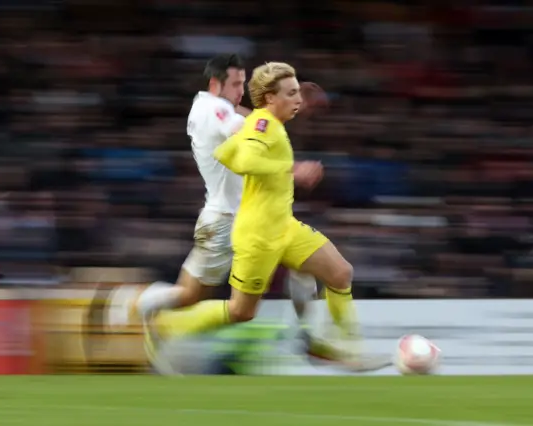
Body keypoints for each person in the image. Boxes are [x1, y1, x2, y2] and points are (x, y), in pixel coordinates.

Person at [153, 61, 375, 369]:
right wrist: (292, 170)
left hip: (283, 225)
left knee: (339, 273)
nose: (298, 100)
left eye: (298, 93)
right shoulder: (255, 123)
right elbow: (243, 160)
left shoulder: (261, 121)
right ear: (271, 98)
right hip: (257, 232)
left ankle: (346, 348)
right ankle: (169, 326)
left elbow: (227, 152)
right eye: (291, 93)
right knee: (241, 311)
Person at [108, 55, 326, 364]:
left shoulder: (209, 106)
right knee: (189, 296)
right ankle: (134, 302)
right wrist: (295, 167)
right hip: (226, 220)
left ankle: (306, 337)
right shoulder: (214, 110)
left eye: (242, 83)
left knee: (302, 260)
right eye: (236, 84)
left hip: (246, 216)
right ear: (216, 84)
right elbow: (249, 130)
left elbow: (250, 119)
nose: (241, 91)